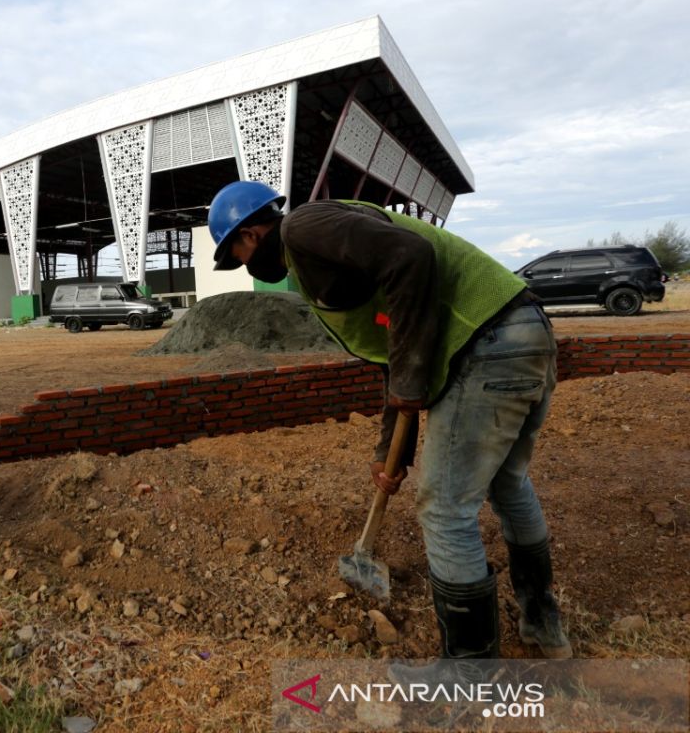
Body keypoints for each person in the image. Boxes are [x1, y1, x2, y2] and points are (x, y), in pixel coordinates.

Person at [208, 180, 571, 671]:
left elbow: (411, 256)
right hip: (523, 332)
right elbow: (393, 350)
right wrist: (392, 452)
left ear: (250, 235)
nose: (248, 266)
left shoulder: (303, 227)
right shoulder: (332, 249)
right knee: (508, 484)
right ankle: (541, 620)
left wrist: (407, 377)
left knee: (444, 509)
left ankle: (468, 673)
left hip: (485, 343)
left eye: (238, 254)